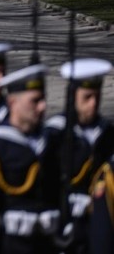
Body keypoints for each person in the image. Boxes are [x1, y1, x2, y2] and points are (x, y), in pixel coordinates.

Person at [0, 64, 60, 254]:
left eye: (43, 99)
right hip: (8, 245)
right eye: (35, 101)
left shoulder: (52, 141)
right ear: (13, 103)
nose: (43, 107)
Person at [43, 58, 114, 254]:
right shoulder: (55, 135)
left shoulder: (107, 134)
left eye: (97, 97)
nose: (93, 104)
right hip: (62, 224)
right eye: (87, 97)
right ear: (72, 96)